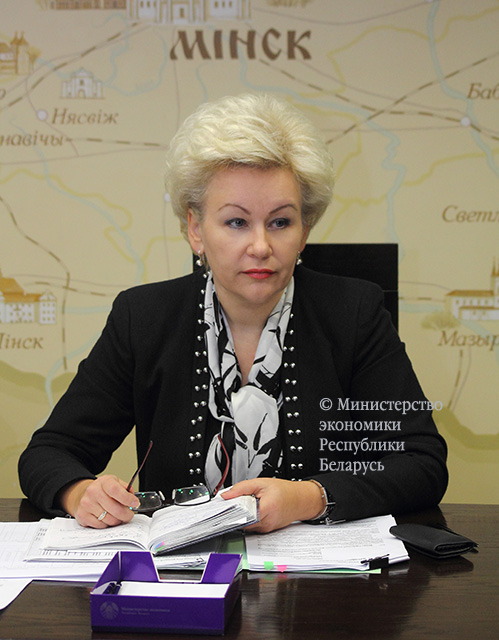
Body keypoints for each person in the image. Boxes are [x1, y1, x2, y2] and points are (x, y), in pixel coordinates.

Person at [18, 94, 448, 533]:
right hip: (181, 570)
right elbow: (49, 453)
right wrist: (80, 493)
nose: (261, 246)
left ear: (304, 232)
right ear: (195, 229)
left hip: (317, 571)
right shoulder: (142, 318)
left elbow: (421, 462)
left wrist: (307, 497)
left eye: (280, 222)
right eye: (237, 222)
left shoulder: (354, 314)